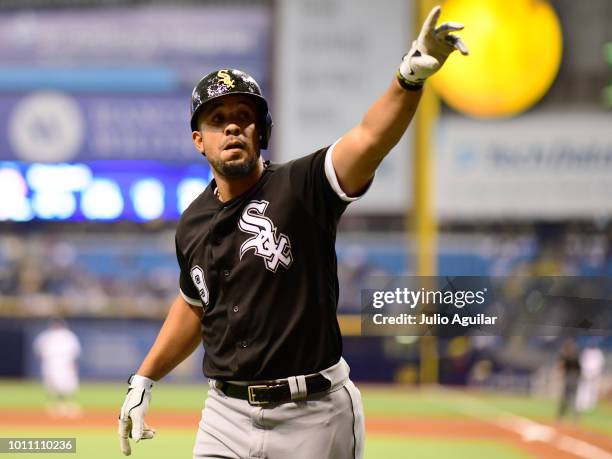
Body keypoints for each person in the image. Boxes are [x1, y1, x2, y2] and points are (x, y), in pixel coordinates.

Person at [118, 6, 468, 458]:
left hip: (314, 414)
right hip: (225, 413)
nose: (231, 125)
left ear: (261, 132)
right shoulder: (192, 222)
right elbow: (194, 305)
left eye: (244, 115)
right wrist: (145, 376)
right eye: (216, 117)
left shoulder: (302, 187)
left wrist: (409, 77)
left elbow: (367, 139)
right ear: (198, 140)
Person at [33, 318, 82, 418]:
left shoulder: (68, 335)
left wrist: (73, 363)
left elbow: (75, 351)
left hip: (65, 362)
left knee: (68, 384)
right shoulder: (46, 336)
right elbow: (38, 349)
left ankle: (69, 405)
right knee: (51, 384)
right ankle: (54, 406)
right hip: (51, 362)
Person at [576, 342, 605, 414]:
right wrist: (583, 371)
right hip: (585, 372)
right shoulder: (585, 351)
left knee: (592, 389)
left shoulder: (598, 353)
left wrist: (596, 372)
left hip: (595, 374)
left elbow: (600, 363)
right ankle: (580, 403)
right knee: (582, 388)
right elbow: (582, 362)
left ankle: (590, 405)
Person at [557, 338, 581, 421]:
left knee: (570, 398)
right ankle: (564, 416)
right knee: (568, 398)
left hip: (572, 378)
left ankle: (573, 416)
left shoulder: (572, 357)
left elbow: (562, 366)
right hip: (571, 378)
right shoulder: (570, 356)